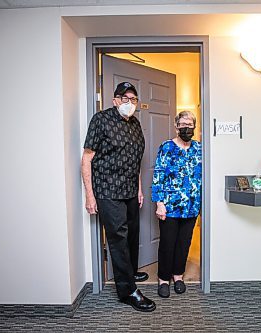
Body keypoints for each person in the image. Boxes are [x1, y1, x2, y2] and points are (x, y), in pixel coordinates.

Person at [81, 82, 156, 312]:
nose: (129, 103)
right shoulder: (100, 120)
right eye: (125, 98)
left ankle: (130, 272)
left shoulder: (135, 123)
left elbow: (136, 161)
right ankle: (128, 291)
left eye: (133, 99)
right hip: (107, 191)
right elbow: (86, 159)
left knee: (133, 233)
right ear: (114, 100)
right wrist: (90, 196)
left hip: (130, 190)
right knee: (118, 239)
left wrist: (140, 189)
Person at [151, 111, 202, 298]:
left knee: (184, 243)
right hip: (170, 206)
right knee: (167, 243)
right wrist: (159, 203)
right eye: (183, 124)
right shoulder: (166, 147)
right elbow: (158, 176)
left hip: (191, 206)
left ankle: (177, 276)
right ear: (176, 126)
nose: (186, 127)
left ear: (195, 127)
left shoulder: (200, 148)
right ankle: (163, 279)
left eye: (190, 124)